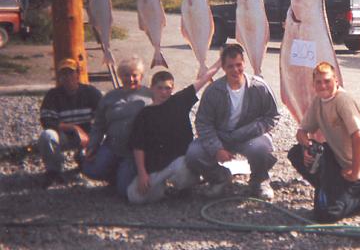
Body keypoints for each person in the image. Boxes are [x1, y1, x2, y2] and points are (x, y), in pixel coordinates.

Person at [287, 61, 360, 222]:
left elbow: (359, 137)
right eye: (319, 82)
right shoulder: (318, 101)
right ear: (313, 84)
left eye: (327, 81)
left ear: (336, 81)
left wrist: (356, 172)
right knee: (295, 153)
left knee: (327, 215)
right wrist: (307, 146)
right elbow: (301, 132)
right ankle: (332, 191)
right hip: (337, 159)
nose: (323, 86)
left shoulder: (343, 101)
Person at [185, 43, 280, 200]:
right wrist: (217, 149)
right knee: (193, 154)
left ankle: (259, 181)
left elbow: (272, 116)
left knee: (262, 147)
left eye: (238, 65)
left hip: (248, 136)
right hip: (221, 136)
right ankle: (220, 178)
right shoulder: (213, 91)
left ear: (244, 64)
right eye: (230, 66)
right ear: (223, 67)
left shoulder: (259, 87)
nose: (235, 70)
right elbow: (203, 122)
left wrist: (251, 130)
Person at [127, 61, 222, 204]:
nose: (164, 92)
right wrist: (142, 173)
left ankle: (185, 188)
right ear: (152, 88)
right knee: (134, 197)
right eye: (159, 88)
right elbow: (138, 146)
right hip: (155, 166)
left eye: (167, 88)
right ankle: (161, 191)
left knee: (184, 173)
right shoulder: (144, 114)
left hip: (179, 162)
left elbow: (203, 79)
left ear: (173, 89)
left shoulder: (179, 101)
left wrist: (222, 59)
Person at [82, 55, 152, 197]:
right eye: (126, 75)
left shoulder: (149, 96)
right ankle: (115, 171)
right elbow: (99, 125)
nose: (131, 79)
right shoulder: (109, 97)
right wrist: (93, 146)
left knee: (122, 192)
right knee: (90, 169)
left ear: (141, 76)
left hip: (134, 153)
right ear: (120, 76)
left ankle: (126, 173)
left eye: (135, 75)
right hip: (112, 146)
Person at [38, 58, 103, 189]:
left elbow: (103, 117)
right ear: (59, 77)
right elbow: (47, 121)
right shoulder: (52, 95)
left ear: (78, 74)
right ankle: (53, 171)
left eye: (70, 73)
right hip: (64, 136)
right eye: (63, 74)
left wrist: (93, 136)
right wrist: (74, 128)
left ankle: (89, 163)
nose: (67, 77)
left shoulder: (91, 92)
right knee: (47, 136)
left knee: (106, 136)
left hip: (88, 135)